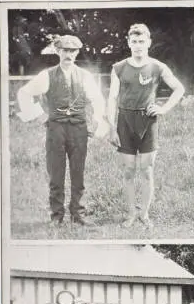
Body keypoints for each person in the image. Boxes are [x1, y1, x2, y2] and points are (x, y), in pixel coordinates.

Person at [16, 34, 106, 226]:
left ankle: (78, 214)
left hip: (79, 129)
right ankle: (56, 216)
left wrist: (96, 121)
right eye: (65, 50)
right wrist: (40, 115)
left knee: (78, 173)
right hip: (56, 129)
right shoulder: (47, 75)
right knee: (56, 174)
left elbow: (98, 100)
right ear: (57, 51)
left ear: (77, 52)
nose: (69, 54)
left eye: (73, 51)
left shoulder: (85, 76)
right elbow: (23, 93)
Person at [107, 23, 185, 228]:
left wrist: (164, 108)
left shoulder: (158, 67)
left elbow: (179, 88)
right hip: (125, 120)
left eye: (142, 41)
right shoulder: (119, 68)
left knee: (147, 169)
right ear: (128, 43)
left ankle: (145, 213)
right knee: (128, 170)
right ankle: (131, 213)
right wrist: (111, 126)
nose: (138, 45)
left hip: (148, 121)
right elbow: (112, 98)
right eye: (134, 41)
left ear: (149, 42)